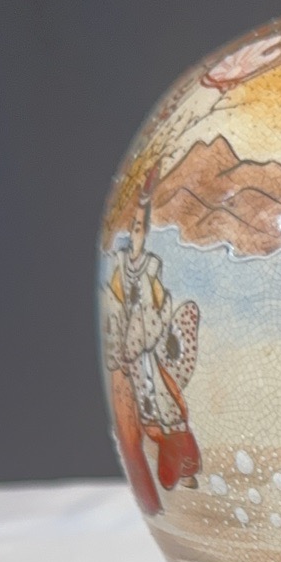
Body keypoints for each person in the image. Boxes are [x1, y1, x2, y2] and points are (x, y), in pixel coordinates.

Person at [102, 167, 201, 512]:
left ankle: (185, 470)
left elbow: (163, 307)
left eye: (140, 230)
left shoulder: (149, 270)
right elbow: (114, 315)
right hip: (132, 358)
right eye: (134, 231)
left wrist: (161, 332)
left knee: (169, 406)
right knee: (150, 416)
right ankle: (171, 476)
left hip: (150, 351)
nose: (136, 236)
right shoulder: (120, 275)